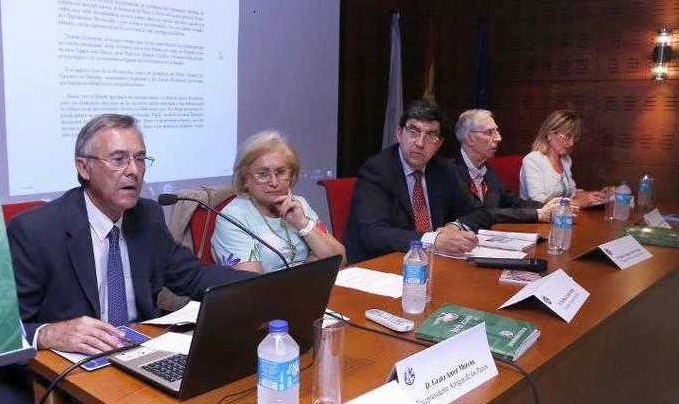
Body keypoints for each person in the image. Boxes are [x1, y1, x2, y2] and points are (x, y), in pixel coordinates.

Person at [0, 114, 250, 404]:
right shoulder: (37, 231)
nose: (134, 171)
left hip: (133, 365)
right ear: (84, 168)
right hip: (46, 378)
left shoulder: (147, 217)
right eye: (119, 159)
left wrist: (262, 288)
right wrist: (50, 332)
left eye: (140, 159)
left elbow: (194, 275)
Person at [344, 99, 493, 263]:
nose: (420, 143)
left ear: (439, 143)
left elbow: (480, 212)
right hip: (383, 264)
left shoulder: (444, 170)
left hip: (435, 262)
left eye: (430, 135)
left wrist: (454, 227)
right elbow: (374, 233)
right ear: (400, 133)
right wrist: (433, 240)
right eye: (414, 132)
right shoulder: (376, 170)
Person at [211, 130, 345, 273]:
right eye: (263, 174)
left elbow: (341, 260)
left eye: (281, 172)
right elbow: (251, 286)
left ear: (291, 175)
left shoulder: (299, 204)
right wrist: (309, 269)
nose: (274, 182)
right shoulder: (233, 217)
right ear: (245, 180)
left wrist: (302, 224)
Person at [453, 108, 561, 223]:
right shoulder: (450, 171)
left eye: (497, 131)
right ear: (470, 138)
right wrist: (536, 214)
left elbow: (514, 202)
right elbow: (480, 213)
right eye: (489, 132)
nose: (499, 138)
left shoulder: (487, 170)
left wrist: (548, 207)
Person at [519, 109, 608, 208]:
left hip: (560, 216)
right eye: (567, 137)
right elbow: (538, 199)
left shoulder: (566, 160)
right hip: (535, 220)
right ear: (549, 134)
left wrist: (595, 195)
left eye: (574, 138)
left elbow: (571, 193)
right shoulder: (533, 160)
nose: (571, 144)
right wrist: (578, 203)